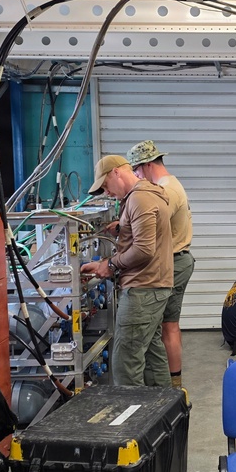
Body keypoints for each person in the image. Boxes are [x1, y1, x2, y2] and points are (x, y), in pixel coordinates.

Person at [81, 155, 173, 388]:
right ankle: (164, 413)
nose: (107, 192)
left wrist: (110, 265)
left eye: (105, 186)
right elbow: (136, 244)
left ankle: (133, 421)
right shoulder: (144, 195)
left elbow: (143, 250)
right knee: (152, 357)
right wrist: (105, 262)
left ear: (116, 173)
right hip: (152, 288)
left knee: (125, 364)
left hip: (143, 291)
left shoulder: (139, 198)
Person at [126, 140, 194, 391]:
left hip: (173, 262)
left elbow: (149, 232)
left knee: (167, 326)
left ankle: (174, 386)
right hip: (177, 260)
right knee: (165, 325)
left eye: (136, 170)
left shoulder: (167, 191)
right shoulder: (168, 186)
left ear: (146, 165)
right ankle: (170, 383)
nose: (135, 176)